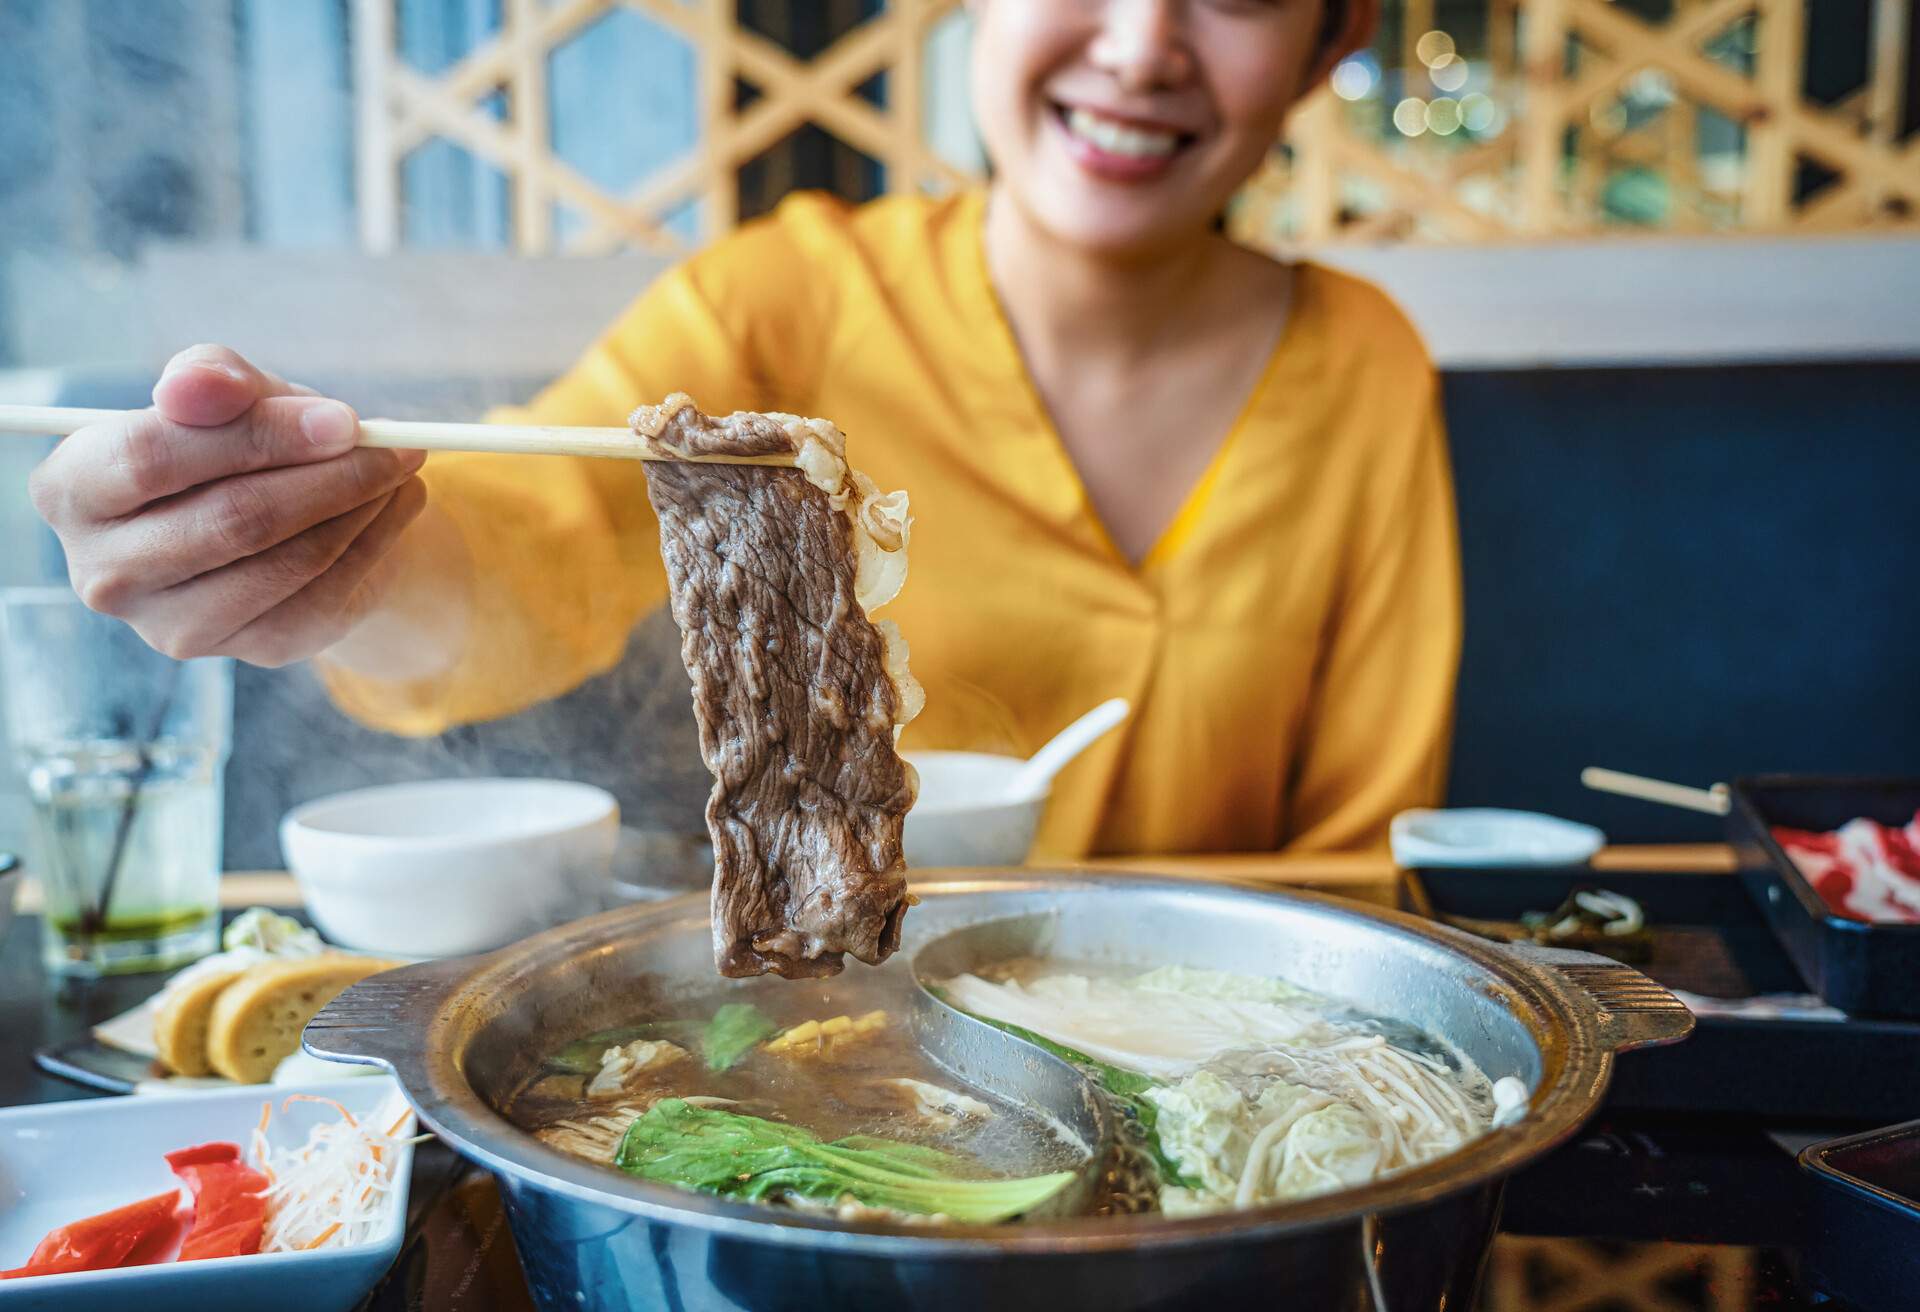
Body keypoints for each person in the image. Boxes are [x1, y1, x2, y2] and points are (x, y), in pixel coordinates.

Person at [30, 0, 1456, 860]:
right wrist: (319, 552)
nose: (1144, 45)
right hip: (855, 1056)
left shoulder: (1364, 366)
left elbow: (1363, 859)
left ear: (1332, 44)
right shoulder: (784, 305)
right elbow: (531, 548)